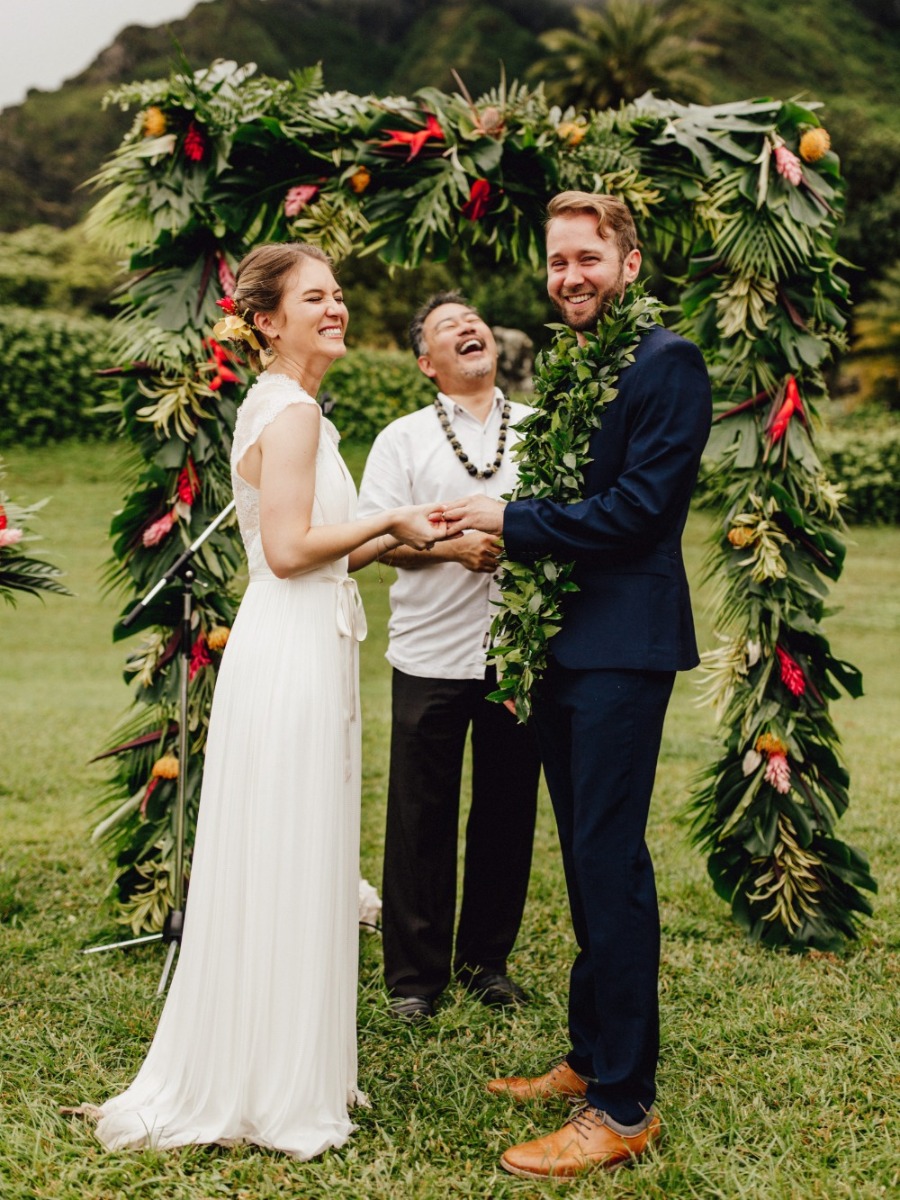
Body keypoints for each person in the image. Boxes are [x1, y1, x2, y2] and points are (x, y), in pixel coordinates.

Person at [90, 243, 446, 1157]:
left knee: (302, 848)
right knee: (288, 846)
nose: (336, 307)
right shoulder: (288, 416)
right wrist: (389, 518)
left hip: (304, 642)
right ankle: (271, 1085)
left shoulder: (295, 410)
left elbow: (325, 549)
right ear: (269, 319)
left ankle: (294, 1066)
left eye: (339, 293)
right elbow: (290, 552)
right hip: (288, 648)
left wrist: (422, 540)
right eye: (315, 297)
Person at [440, 192, 712, 1179]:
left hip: (623, 650)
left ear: (629, 265)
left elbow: (639, 513)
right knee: (586, 859)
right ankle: (589, 1054)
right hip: (563, 642)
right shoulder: (580, 364)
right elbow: (572, 500)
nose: (570, 277)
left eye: (588, 257)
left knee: (610, 866)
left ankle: (624, 1103)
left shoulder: (667, 362)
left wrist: (509, 521)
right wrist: (497, 537)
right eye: (557, 262)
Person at [356, 293, 541, 1020]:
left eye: (475, 321)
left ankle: (486, 963)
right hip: (429, 654)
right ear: (426, 362)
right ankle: (413, 979)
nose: (469, 328)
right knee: (418, 817)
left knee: (505, 811)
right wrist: (449, 547)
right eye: (446, 327)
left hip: (517, 654)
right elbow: (374, 542)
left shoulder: (539, 430)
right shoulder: (401, 440)